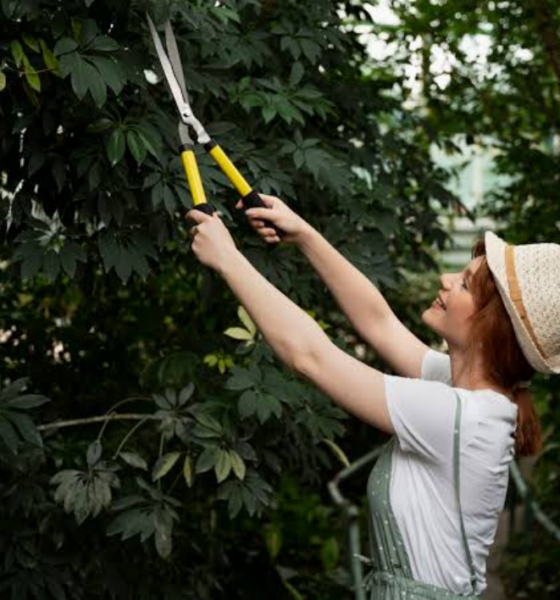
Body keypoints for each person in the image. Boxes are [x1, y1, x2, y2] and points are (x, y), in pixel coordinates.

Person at [186, 195, 559, 598]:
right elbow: (379, 323)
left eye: (465, 283)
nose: (446, 279)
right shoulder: (460, 393)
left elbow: (311, 357)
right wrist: (305, 234)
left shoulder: (461, 417)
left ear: (492, 327)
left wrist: (229, 259)